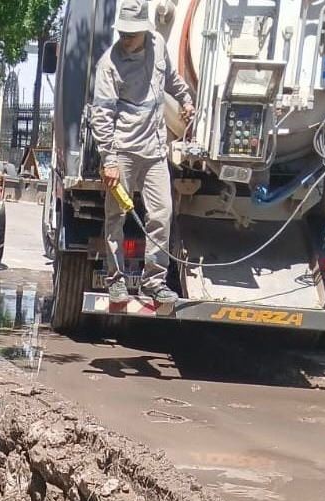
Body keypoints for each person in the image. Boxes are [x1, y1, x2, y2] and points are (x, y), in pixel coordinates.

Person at [90, 0, 195, 304]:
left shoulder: (158, 45)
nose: (125, 39)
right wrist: (109, 161)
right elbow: (102, 116)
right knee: (116, 217)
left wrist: (185, 99)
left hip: (154, 150)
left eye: (131, 34)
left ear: (145, 31)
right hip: (122, 152)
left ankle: (154, 281)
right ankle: (115, 281)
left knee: (162, 214)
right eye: (122, 33)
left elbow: (171, 80)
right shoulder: (108, 65)